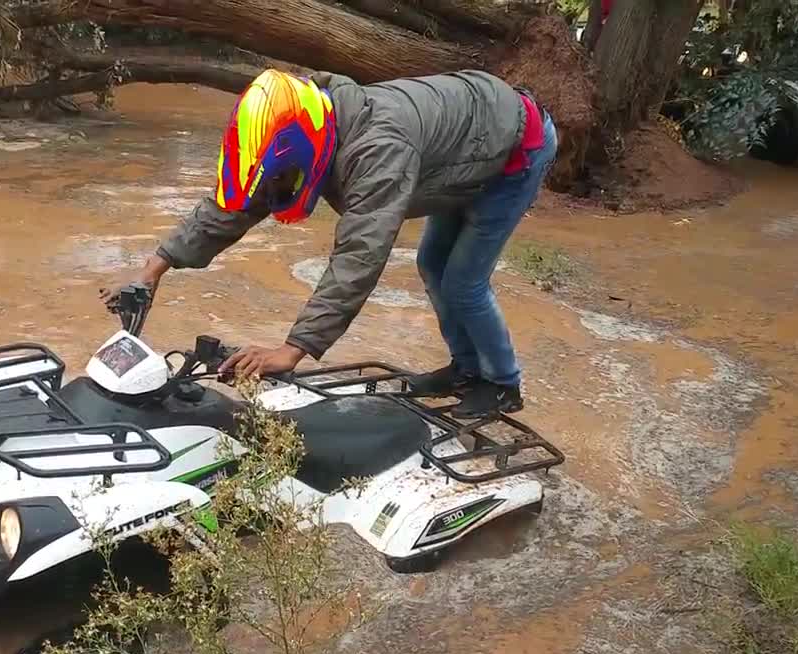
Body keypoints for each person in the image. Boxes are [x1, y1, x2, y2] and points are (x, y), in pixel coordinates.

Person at [101, 68, 557, 420]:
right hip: (457, 151)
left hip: (513, 152)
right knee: (432, 264)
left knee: (462, 280)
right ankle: (465, 368)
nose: (282, 186)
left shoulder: (376, 150)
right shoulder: (300, 119)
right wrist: (155, 266)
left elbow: (360, 255)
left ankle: (501, 385)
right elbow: (237, 202)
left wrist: (293, 348)